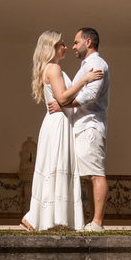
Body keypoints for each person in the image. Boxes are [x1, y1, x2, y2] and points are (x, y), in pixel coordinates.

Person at [21, 31, 103, 232]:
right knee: (57, 166)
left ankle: (47, 219)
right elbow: (63, 98)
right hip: (58, 123)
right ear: (52, 47)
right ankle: (41, 219)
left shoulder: (50, 68)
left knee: (56, 166)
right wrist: (85, 80)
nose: (66, 47)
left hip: (59, 121)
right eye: (62, 44)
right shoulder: (54, 68)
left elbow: (62, 100)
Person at [48, 27, 109, 232]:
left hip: (90, 125)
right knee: (88, 176)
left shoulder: (97, 64)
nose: (72, 47)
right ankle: (92, 221)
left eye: (75, 42)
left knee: (95, 174)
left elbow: (89, 95)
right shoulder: (86, 66)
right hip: (81, 126)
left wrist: (64, 104)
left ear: (88, 42)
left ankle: (97, 222)